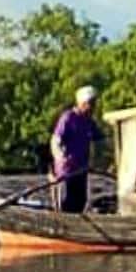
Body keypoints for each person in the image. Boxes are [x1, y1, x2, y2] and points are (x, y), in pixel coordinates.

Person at [50, 85, 100, 213]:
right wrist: (61, 158)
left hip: (81, 169)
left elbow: (100, 140)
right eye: (91, 103)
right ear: (82, 103)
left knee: (81, 200)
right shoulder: (68, 118)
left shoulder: (89, 121)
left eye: (94, 103)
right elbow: (56, 141)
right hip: (67, 171)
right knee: (67, 202)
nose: (93, 107)